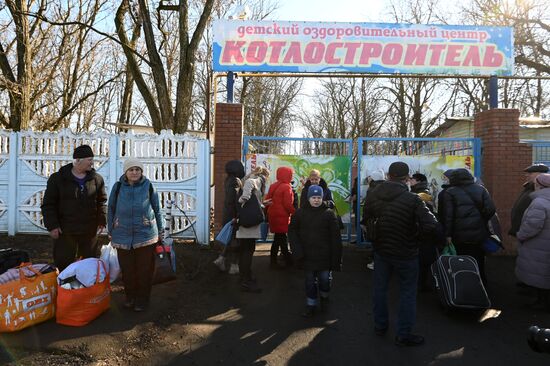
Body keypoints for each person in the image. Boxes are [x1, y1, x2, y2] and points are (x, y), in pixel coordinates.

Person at [364, 162, 438, 347]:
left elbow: (366, 221)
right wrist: (415, 238)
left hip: (381, 251)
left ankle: (380, 326)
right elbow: (431, 224)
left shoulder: (374, 196)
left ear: (388, 175)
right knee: (407, 293)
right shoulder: (413, 199)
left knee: (380, 289)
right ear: (406, 177)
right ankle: (403, 334)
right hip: (406, 253)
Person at [107, 158, 163, 312]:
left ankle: (142, 300)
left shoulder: (148, 186)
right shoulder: (118, 187)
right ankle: (130, 298)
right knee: (128, 270)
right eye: (131, 169)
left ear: (141, 172)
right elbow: (110, 208)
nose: (134, 172)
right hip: (122, 234)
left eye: (137, 169)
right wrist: (111, 230)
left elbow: (157, 209)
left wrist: (161, 230)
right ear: (126, 172)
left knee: (144, 271)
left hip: (145, 235)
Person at [41, 145, 107, 272]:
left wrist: (101, 221)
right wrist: (52, 225)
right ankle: (65, 290)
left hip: (89, 232)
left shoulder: (97, 179)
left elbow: (101, 202)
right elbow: (48, 204)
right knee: (64, 265)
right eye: (89, 160)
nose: (92, 163)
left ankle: (85, 291)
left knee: (88, 266)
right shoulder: (57, 179)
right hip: (65, 231)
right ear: (78, 161)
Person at [288, 185, 342, 317]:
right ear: (308, 198)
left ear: (322, 198)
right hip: (307, 255)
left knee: (324, 279)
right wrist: (297, 251)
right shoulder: (300, 213)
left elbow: (336, 238)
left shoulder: (329, 214)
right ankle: (311, 304)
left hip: (324, 255)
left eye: (319, 197)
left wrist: (336, 258)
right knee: (310, 281)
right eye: (313, 197)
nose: (316, 200)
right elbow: (292, 232)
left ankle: (324, 296)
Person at [441, 168, 496, 285]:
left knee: (461, 259)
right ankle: (481, 284)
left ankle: (463, 284)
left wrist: (448, 235)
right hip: (479, 233)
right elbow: (491, 210)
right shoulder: (481, 189)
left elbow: (448, 216)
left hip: (458, 234)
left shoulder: (450, 192)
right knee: (478, 258)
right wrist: (480, 219)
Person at [516, 173, 550, 312]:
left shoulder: (539, 202)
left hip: (538, 245)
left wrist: (521, 235)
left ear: (539, 186)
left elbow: (532, 226)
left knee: (540, 274)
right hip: (546, 244)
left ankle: (542, 303)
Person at [236, 166, 270, 293]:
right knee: (247, 251)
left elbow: (252, 201)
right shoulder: (255, 180)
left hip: (247, 221)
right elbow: (246, 197)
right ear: (264, 175)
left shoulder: (251, 180)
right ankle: (245, 280)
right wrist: (241, 200)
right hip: (249, 222)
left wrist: (263, 204)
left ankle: (245, 277)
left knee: (246, 250)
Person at [213, 160, 245, 274]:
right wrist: (237, 215)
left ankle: (221, 259)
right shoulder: (236, 181)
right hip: (233, 215)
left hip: (228, 214)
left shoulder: (228, 180)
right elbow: (235, 200)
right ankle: (234, 266)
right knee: (235, 241)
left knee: (231, 239)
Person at [410, 173, 440, 291]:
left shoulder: (422, 194)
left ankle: (421, 284)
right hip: (425, 233)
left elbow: (426, 215)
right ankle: (422, 283)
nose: (410, 180)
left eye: (412, 179)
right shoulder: (421, 191)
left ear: (418, 181)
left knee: (422, 260)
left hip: (423, 233)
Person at [264, 167, 296, 269]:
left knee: (278, 238)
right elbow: (287, 204)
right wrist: (294, 213)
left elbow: (267, 200)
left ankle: (275, 261)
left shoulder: (273, 185)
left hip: (273, 215)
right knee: (281, 238)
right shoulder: (287, 187)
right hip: (282, 217)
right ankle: (287, 261)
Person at [510, 164, 549, 237]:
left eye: (530, 173)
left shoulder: (539, 191)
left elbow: (535, 221)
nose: (526, 175)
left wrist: (522, 235)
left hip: (530, 236)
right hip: (522, 232)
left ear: (540, 175)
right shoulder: (529, 187)